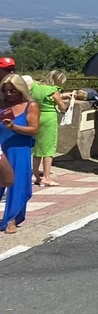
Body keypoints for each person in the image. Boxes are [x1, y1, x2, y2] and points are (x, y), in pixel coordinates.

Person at [1, 74, 40, 234]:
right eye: (5, 91)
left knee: (17, 184)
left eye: (13, 91)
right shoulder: (2, 104)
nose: (9, 94)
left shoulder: (30, 105)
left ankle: (12, 218)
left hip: (19, 148)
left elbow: (34, 129)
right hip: (2, 147)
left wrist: (14, 127)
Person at [29, 70, 70, 187]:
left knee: (37, 148)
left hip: (37, 116)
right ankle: (46, 177)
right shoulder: (53, 90)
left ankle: (35, 174)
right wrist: (67, 105)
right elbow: (62, 107)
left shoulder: (36, 87)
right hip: (49, 119)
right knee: (49, 148)